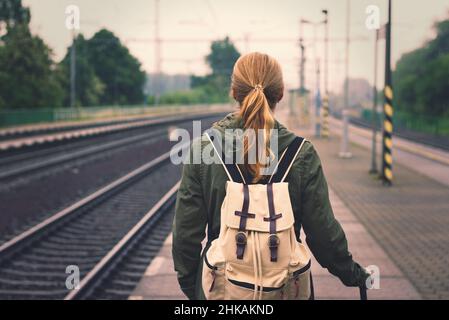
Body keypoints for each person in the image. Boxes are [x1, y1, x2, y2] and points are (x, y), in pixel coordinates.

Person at [172, 52, 369, 300]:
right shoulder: (302, 153)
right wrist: (353, 274)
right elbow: (323, 235)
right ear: (281, 93)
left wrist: (196, 289)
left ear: (234, 92)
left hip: (220, 291)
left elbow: (184, 237)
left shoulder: (204, 150)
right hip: (286, 289)